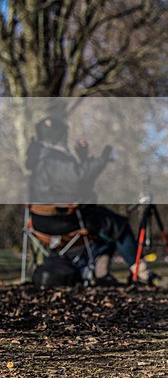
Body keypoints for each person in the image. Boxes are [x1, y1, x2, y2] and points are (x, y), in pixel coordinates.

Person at [25, 116, 159, 286]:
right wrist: (102, 159)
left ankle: (102, 274)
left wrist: (83, 159)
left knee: (106, 232)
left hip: (39, 224)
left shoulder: (38, 158)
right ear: (58, 134)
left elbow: (73, 182)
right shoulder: (51, 159)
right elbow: (79, 178)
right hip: (65, 222)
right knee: (118, 225)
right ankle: (142, 274)